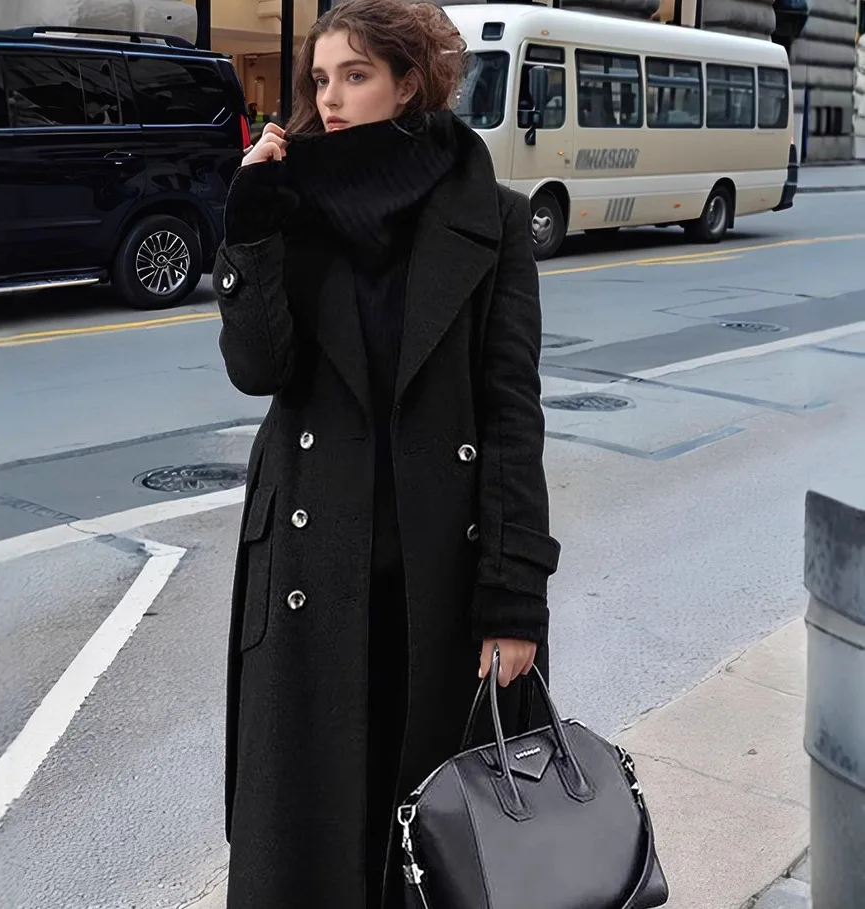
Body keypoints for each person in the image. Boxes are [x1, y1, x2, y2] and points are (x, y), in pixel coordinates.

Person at [214, 0, 561, 906]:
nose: (328, 99)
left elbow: (510, 416)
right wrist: (248, 229)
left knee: (439, 846)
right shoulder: (290, 211)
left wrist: (515, 596)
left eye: (354, 75)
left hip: (433, 585)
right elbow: (257, 372)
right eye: (318, 80)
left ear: (410, 82)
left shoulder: (490, 221)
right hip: (306, 575)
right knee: (306, 846)